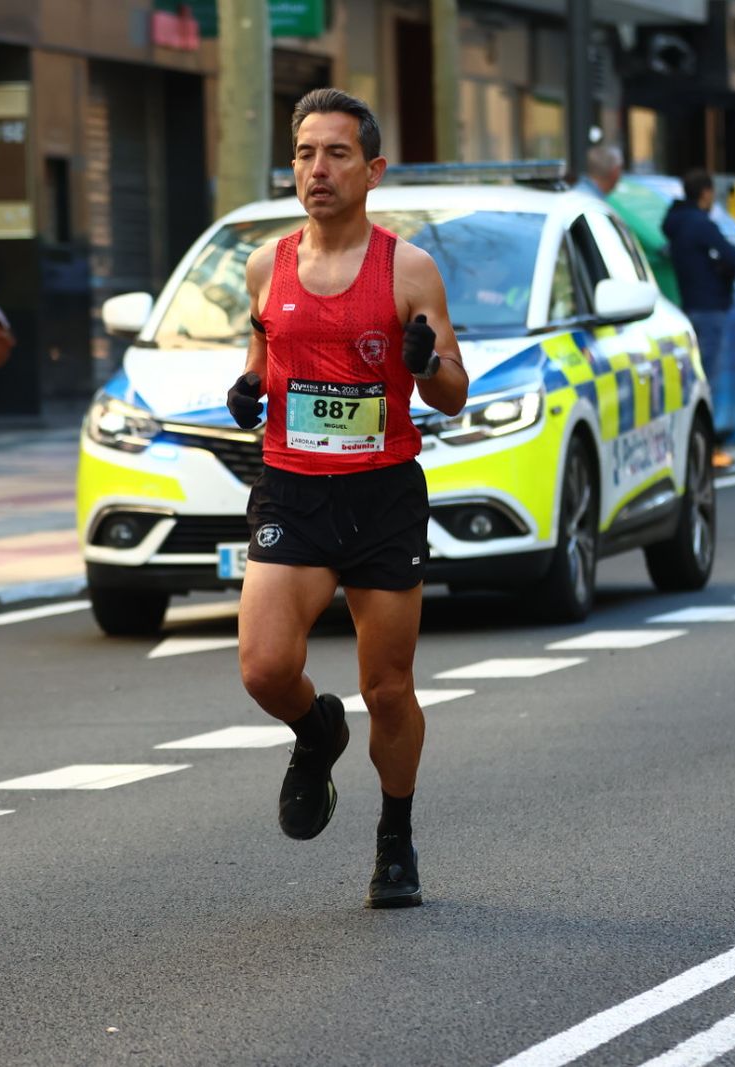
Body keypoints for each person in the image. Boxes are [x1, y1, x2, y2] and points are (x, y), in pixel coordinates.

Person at [225, 89, 468, 908]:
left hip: (380, 495)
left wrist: (425, 360)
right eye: (303, 154)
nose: (317, 169)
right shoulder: (267, 265)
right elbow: (265, 355)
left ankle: (395, 838)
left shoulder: (408, 269)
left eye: (334, 153)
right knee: (264, 668)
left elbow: (453, 394)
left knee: (389, 689)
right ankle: (314, 731)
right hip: (293, 488)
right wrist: (248, 388)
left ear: (373, 170)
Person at [663, 168, 735, 468]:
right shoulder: (702, 225)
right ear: (705, 193)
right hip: (711, 308)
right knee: (708, 380)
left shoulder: (674, 224)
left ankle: (692, 445)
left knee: (691, 379)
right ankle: (710, 448)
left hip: (687, 306)